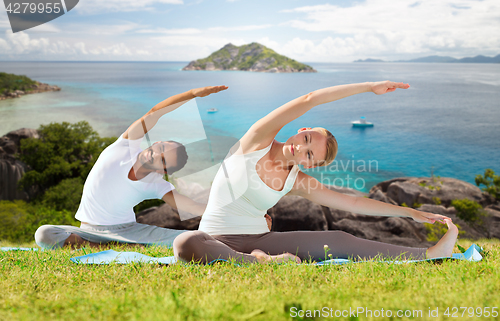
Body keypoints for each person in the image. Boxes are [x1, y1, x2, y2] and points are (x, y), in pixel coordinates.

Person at [173, 81, 459, 264]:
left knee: (341, 240)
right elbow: (309, 99)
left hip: (261, 239)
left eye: (309, 154)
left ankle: (431, 254)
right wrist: (369, 87)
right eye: (306, 139)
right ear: (302, 129)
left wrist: (409, 213)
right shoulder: (255, 141)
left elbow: (355, 203)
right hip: (213, 238)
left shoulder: (298, 180)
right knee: (185, 242)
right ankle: (259, 262)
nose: (301, 149)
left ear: (310, 165)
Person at [34, 86, 228, 249]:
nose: (154, 154)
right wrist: (192, 94)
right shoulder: (124, 146)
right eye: (159, 148)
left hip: (129, 231)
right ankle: (113, 245)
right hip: (87, 229)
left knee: (189, 238)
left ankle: (120, 244)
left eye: (163, 160)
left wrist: (233, 211)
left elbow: (190, 206)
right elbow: (155, 113)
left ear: (163, 171)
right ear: (156, 142)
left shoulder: (156, 184)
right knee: (44, 234)